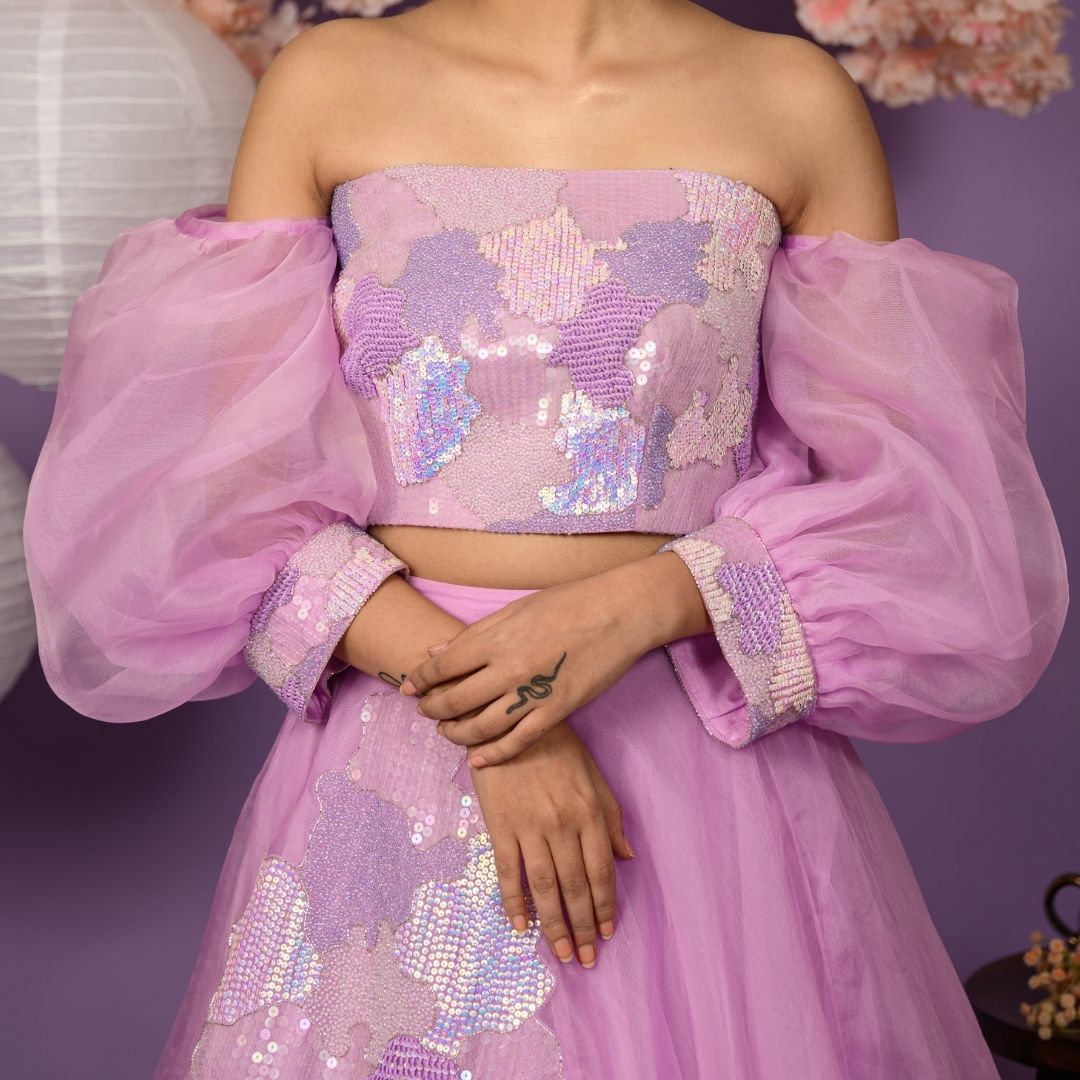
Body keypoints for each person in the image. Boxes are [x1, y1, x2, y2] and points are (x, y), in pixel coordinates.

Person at [21, 1, 1069, 1077]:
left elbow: (915, 515)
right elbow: (224, 503)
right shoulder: (328, 81)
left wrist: (632, 608)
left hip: (700, 771)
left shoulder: (791, 98)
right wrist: (505, 723)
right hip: (397, 759)